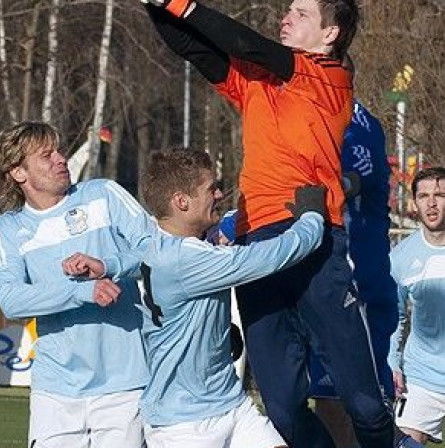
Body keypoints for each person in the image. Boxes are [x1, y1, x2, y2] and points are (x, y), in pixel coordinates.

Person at [143, 1, 400, 446]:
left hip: (316, 242)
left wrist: (179, 4)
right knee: (280, 408)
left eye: (301, 13)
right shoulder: (263, 81)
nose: (286, 17)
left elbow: (242, 42)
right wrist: (154, 8)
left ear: (330, 34)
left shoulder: (328, 76)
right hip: (257, 245)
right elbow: (195, 49)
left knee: (362, 402)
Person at [138, 148, 326, 448]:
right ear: (181, 201)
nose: (220, 193)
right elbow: (267, 257)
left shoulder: (159, 245)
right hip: (183, 425)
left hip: (231, 404)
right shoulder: (185, 259)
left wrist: (217, 334)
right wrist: (313, 219)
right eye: (210, 188)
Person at [0, 121, 152, 448]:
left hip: (125, 384)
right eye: (46, 156)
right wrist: (81, 292)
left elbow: (156, 249)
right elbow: (10, 300)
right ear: (19, 173)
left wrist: (109, 265)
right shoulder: (8, 229)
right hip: (56, 391)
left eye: (59, 151)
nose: (61, 159)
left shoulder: (103, 194)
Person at [309, 100, 399, 447]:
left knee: (366, 410)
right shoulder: (300, 108)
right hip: (320, 284)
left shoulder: (360, 123)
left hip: (360, 284)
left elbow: (354, 181)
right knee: (326, 404)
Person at [388, 167, 445, 445]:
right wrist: (392, 362)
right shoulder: (400, 258)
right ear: (414, 202)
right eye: (424, 196)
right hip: (422, 376)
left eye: (440, 194)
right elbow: (393, 316)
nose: (432, 203)